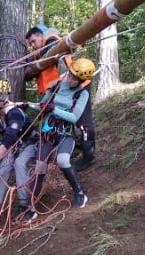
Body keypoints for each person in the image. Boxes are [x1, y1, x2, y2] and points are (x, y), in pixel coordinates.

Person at [25, 24, 97, 171]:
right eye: (30, 43)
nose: (33, 45)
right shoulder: (41, 53)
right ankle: (72, 149)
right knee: (60, 121)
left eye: (33, 41)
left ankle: (89, 156)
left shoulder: (50, 40)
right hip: (61, 88)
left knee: (83, 122)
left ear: (40, 36)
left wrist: (35, 55)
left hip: (77, 84)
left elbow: (52, 48)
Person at [27, 58, 96, 210]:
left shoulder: (82, 94)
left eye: (75, 79)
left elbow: (74, 117)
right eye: (70, 75)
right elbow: (42, 106)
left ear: (81, 81)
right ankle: (30, 205)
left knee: (63, 161)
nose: (70, 79)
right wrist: (29, 105)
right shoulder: (57, 85)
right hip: (48, 132)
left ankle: (79, 192)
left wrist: (54, 109)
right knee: (40, 167)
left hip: (66, 132)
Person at [0, 80, 38, 229]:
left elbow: (8, 139)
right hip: (12, 147)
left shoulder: (15, 113)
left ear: (7, 96)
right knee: (1, 172)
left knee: (19, 164)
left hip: (29, 143)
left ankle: (26, 206)